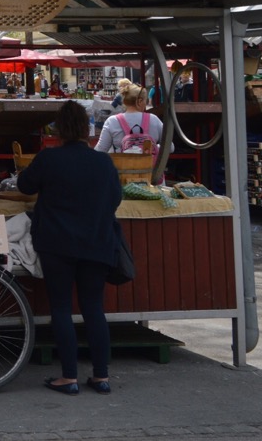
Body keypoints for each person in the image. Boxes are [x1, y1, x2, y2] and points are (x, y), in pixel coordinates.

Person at [17, 101, 122, 395]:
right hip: (97, 243)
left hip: (56, 243)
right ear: (88, 130)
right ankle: (101, 376)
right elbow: (115, 200)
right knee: (93, 308)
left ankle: (69, 376)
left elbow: (24, 185)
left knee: (61, 308)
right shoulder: (103, 162)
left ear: (59, 129)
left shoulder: (49, 159)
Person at [95, 83, 162, 155]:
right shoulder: (154, 119)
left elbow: (100, 150)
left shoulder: (112, 121)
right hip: (151, 166)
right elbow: (170, 147)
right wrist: (154, 147)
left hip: (121, 165)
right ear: (139, 101)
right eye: (145, 101)